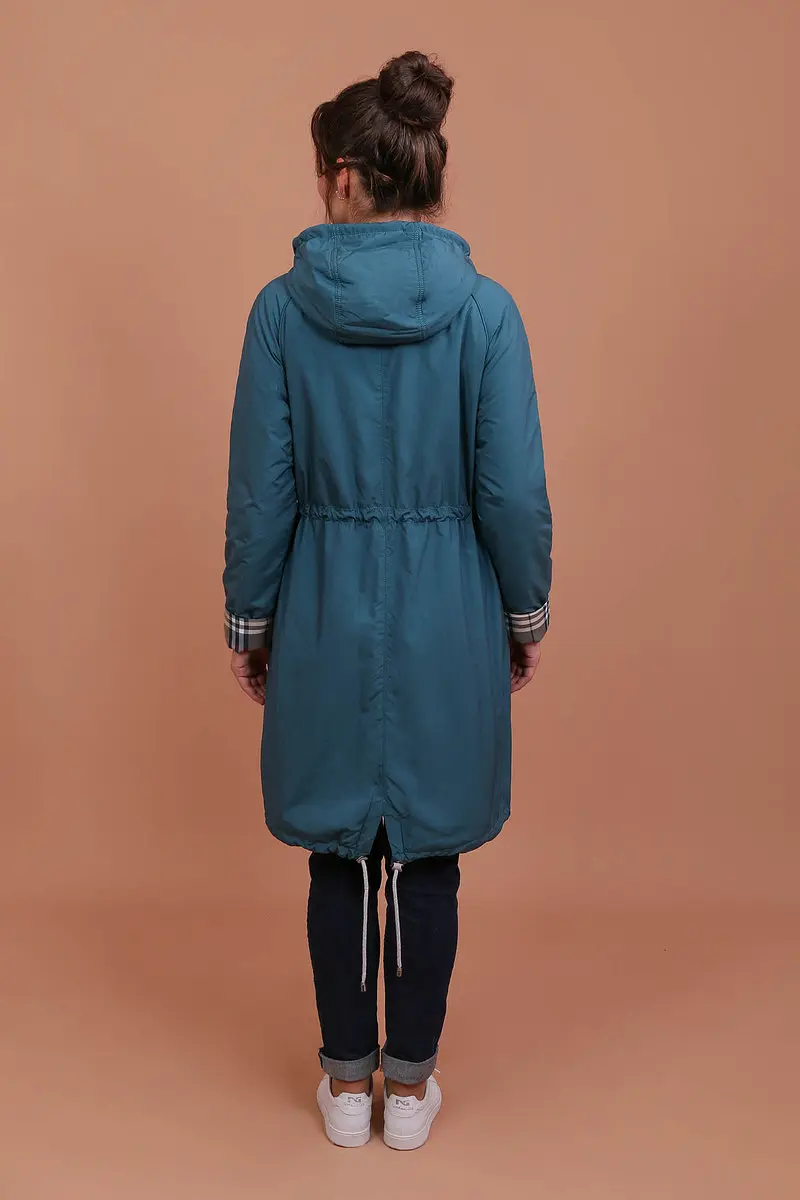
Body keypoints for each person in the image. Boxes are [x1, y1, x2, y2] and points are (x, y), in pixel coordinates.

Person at [222, 49, 552, 1151]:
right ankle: (408, 1090)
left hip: (321, 603)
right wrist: (522, 614)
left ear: (346, 175)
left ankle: (343, 1083)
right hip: (447, 610)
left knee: (335, 852)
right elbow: (512, 491)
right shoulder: (487, 313)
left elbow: (262, 490)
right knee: (427, 854)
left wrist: (251, 621)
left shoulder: (279, 314)